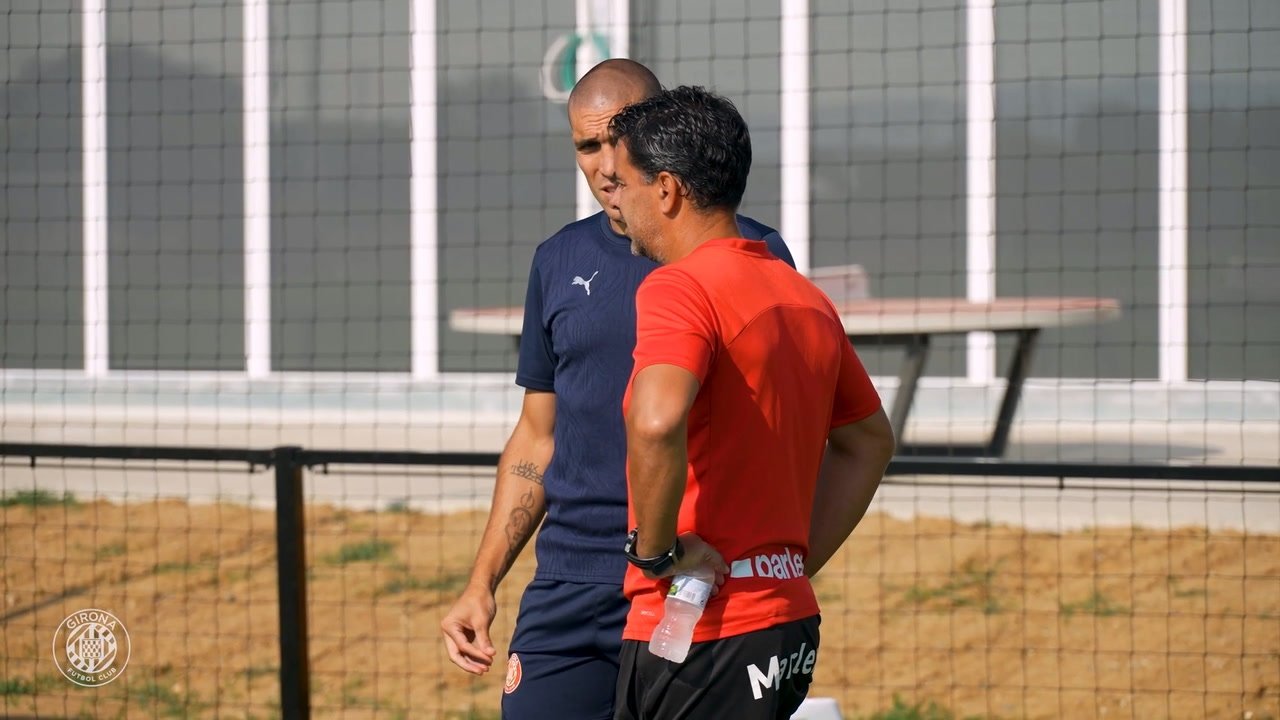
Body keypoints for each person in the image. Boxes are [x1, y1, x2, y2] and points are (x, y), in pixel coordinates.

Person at [439, 60, 796, 720]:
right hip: (570, 589)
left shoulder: (754, 254)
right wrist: (482, 582)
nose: (605, 165)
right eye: (587, 145)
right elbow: (538, 437)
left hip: (692, 583)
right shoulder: (557, 260)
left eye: (618, 141)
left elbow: (788, 430)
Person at [604, 86, 896, 719]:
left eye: (621, 181)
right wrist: (790, 563)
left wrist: (658, 552)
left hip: (701, 630)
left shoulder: (678, 288)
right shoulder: (802, 295)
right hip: (784, 624)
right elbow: (869, 441)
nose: (613, 199)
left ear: (666, 189)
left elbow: (654, 424)